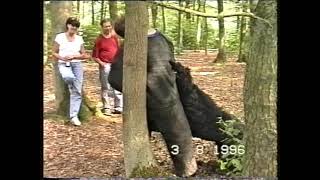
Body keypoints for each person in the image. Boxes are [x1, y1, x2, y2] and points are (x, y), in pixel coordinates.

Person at [52, 17, 89, 126]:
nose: (74, 27)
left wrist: (74, 56)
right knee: (69, 78)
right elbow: (54, 52)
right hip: (64, 64)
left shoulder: (79, 39)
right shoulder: (60, 37)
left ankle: (74, 116)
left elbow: (84, 55)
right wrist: (62, 58)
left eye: (76, 26)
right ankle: (72, 86)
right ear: (67, 25)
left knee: (77, 91)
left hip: (77, 64)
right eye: (72, 25)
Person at [92, 18, 123, 116]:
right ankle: (107, 107)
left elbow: (119, 50)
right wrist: (102, 64)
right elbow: (94, 56)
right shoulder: (99, 39)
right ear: (102, 27)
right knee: (106, 87)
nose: (108, 28)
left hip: (116, 65)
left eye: (109, 26)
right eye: (106, 26)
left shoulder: (115, 37)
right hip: (105, 65)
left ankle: (118, 107)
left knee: (117, 85)